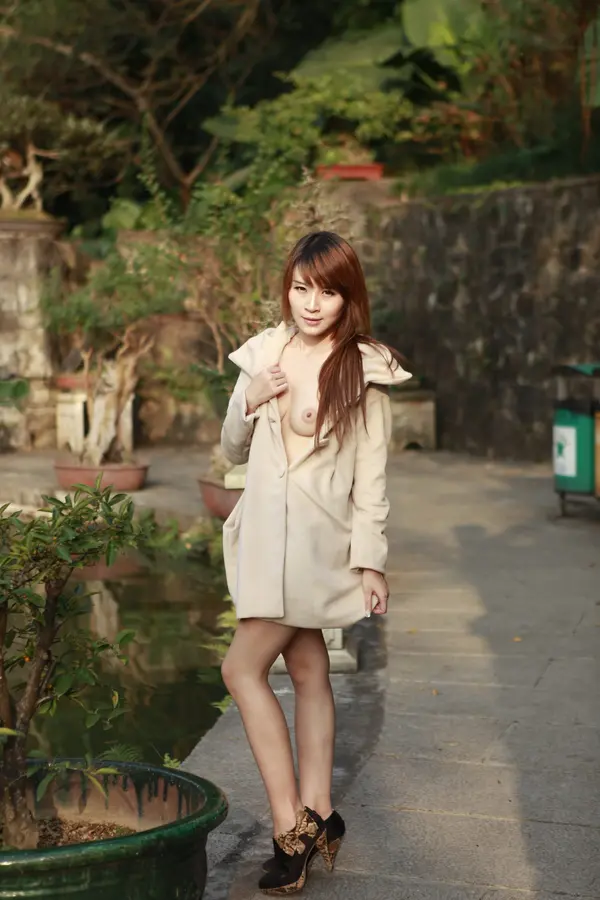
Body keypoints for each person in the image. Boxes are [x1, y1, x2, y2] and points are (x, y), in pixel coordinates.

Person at [220, 231, 411, 895]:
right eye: (301, 288)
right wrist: (249, 398)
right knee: (306, 667)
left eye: (327, 292)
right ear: (288, 287)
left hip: (316, 546)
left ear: (347, 298)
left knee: (240, 668)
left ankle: (288, 828)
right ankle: (321, 812)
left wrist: (371, 563)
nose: (311, 303)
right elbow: (231, 449)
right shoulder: (265, 353)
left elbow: (372, 480)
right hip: (265, 540)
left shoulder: (365, 371)